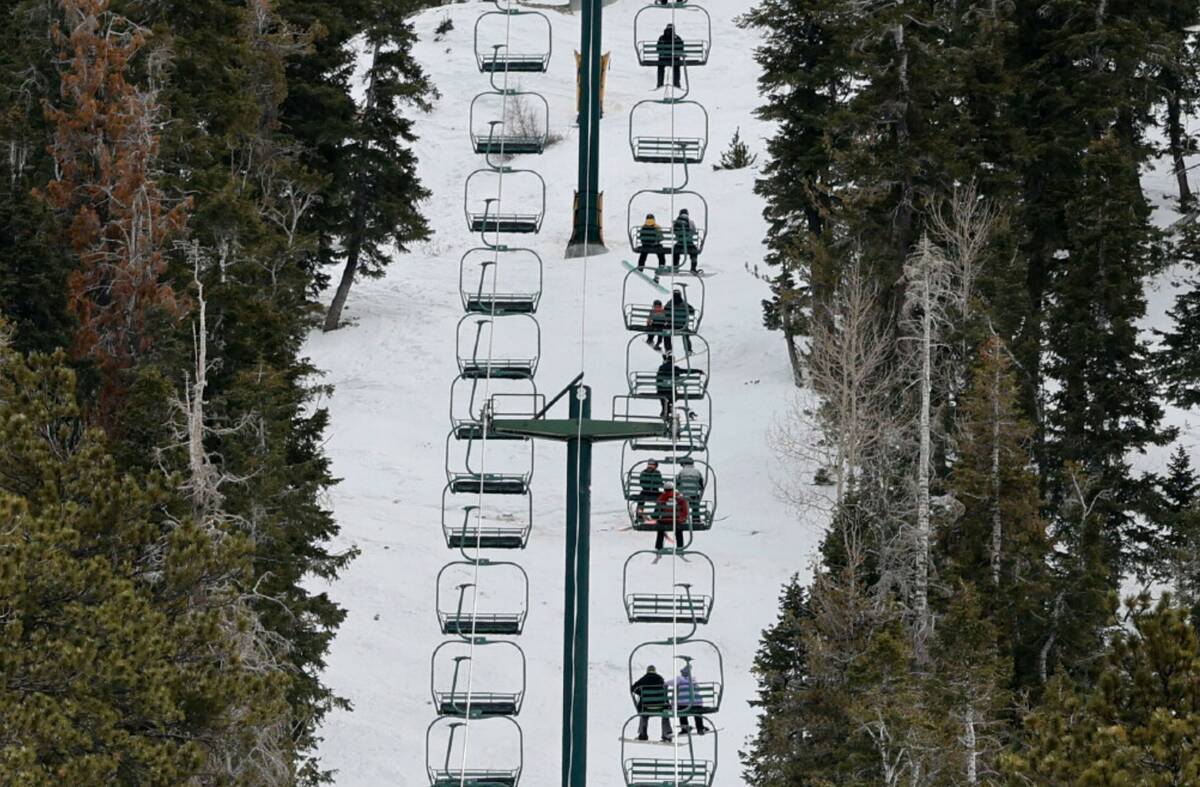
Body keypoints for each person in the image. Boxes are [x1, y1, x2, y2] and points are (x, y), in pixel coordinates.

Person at [632, 666, 672, 742]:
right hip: (661, 707)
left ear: (647, 671)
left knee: (643, 715)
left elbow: (633, 688)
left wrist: (642, 693)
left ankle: (643, 734)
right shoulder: (660, 679)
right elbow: (664, 693)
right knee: (665, 715)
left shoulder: (644, 678)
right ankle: (666, 735)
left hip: (647, 707)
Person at [671, 664, 708, 735]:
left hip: (684, 705)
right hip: (697, 704)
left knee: (681, 712)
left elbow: (670, 684)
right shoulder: (693, 680)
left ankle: (685, 729)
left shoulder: (679, 680)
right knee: (697, 713)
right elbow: (698, 689)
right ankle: (700, 728)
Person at [653, 480, 689, 553]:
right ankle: (680, 546)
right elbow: (685, 509)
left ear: (664, 489)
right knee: (679, 530)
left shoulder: (661, 497)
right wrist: (683, 518)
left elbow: (656, 511)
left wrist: (656, 517)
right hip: (676, 520)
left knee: (660, 529)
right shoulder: (679, 497)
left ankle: (658, 546)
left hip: (664, 521)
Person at [677, 456, 704, 528]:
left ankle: (683, 518)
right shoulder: (697, 472)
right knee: (695, 503)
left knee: (680, 502)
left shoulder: (681, 472)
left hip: (684, 496)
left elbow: (677, 483)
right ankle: (696, 519)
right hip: (694, 496)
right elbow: (701, 484)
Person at [656, 354, 685, 419]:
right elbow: (686, 371)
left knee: (663, 393)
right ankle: (668, 409)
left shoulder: (661, 367)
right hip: (671, 392)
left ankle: (665, 409)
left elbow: (658, 379)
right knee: (672, 394)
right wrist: (698, 371)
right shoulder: (675, 368)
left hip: (661, 391)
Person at [669, 289, 695, 355]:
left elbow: (665, 312)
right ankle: (688, 350)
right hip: (683, 326)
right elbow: (692, 311)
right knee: (685, 335)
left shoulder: (670, 303)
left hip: (672, 326)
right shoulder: (684, 303)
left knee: (667, 334)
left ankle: (668, 349)